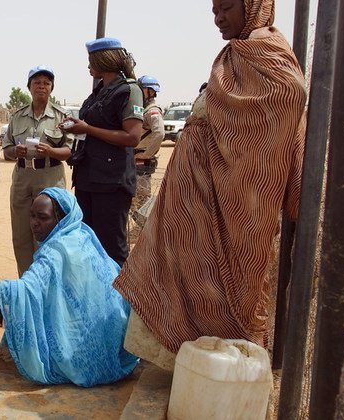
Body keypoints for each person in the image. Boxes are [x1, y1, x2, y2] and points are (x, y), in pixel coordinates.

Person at [114, 0, 307, 371]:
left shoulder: (267, 51)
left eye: (227, 8)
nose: (218, 18)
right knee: (180, 277)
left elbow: (289, 97)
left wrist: (218, 129)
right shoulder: (234, 55)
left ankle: (227, 371)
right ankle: (195, 364)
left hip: (225, 200)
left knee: (224, 287)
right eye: (214, 10)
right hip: (194, 201)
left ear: (252, 7)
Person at [0, 188, 139, 387]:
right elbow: (43, 288)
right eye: (32, 215)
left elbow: (26, 290)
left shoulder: (56, 250)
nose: (34, 223)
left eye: (43, 217)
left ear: (60, 219)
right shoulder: (80, 235)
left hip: (87, 353)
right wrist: (5, 297)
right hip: (115, 344)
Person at [60, 38, 144, 267]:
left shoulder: (129, 90)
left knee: (111, 248)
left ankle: (117, 301)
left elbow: (132, 136)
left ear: (102, 59)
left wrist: (87, 129)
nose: (88, 66)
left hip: (111, 183)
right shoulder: (99, 92)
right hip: (89, 178)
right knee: (88, 244)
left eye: (91, 60)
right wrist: (76, 125)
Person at [2, 66, 73, 276]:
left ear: (51, 88)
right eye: (37, 83)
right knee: (22, 235)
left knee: (50, 234)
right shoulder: (17, 117)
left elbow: (70, 150)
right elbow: (6, 149)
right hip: (23, 179)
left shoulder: (62, 117)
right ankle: (26, 282)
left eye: (46, 83)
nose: (41, 87)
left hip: (50, 178)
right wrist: (16, 150)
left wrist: (51, 151)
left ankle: (48, 282)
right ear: (29, 87)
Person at [130, 75, 165, 230]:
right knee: (135, 201)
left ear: (149, 91)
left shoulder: (152, 112)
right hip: (136, 159)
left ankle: (150, 232)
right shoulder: (143, 109)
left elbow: (159, 133)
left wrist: (146, 154)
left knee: (141, 200)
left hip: (141, 161)